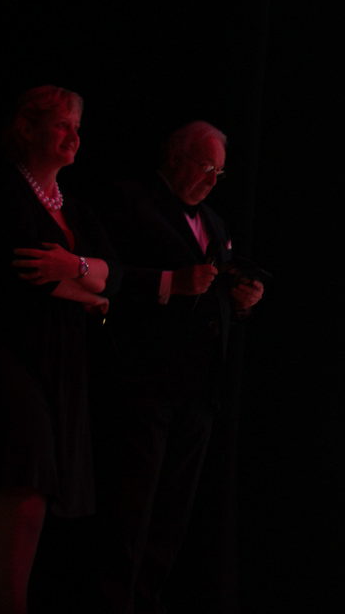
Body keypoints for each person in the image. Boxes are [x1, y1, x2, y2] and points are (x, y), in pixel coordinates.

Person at [92, 121, 264, 614]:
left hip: (199, 392)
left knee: (172, 515)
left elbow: (214, 294)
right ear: (174, 157)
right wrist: (171, 282)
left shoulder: (214, 220)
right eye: (206, 167)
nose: (212, 180)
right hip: (143, 384)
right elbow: (108, 276)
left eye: (219, 173)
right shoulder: (130, 201)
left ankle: (146, 601)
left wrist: (242, 302)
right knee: (129, 510)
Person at [0, 86, 120, 614]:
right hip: (10, 352)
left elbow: (115, 280)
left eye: (77, 127)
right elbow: (26, 271)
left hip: (60, 362)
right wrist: (88, 290)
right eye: (61, 124)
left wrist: (77, 269)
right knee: (24, 479)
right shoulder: (3, 191)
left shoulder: (76, 210)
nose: (73, 136)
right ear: (27, 128)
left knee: (38, 486)